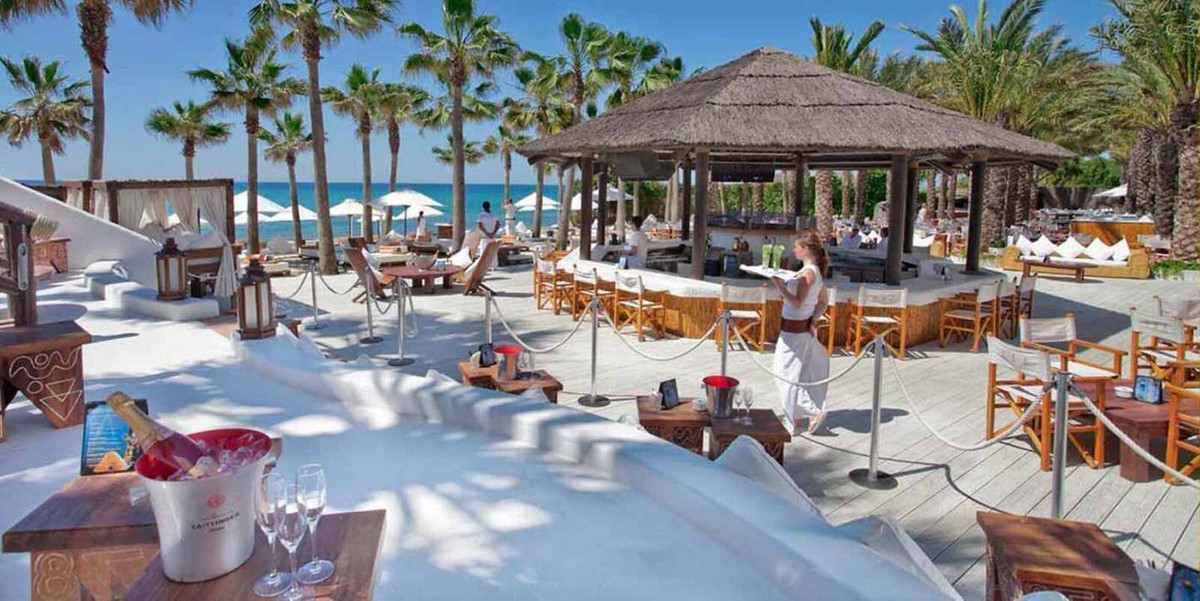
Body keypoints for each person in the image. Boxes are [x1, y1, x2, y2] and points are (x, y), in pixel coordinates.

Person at [770, 232, 831, 434]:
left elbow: (797, 303)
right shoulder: (813, 271)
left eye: (797, 246)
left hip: (794, 332)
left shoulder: (808, 274)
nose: (794, 249)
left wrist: (780, 286)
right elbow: (822, 301)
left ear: (806, 249)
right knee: (794, 373)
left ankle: (813, 411)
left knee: (783, 373)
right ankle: (796, 416)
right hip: (798, 329)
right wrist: (813, 320)